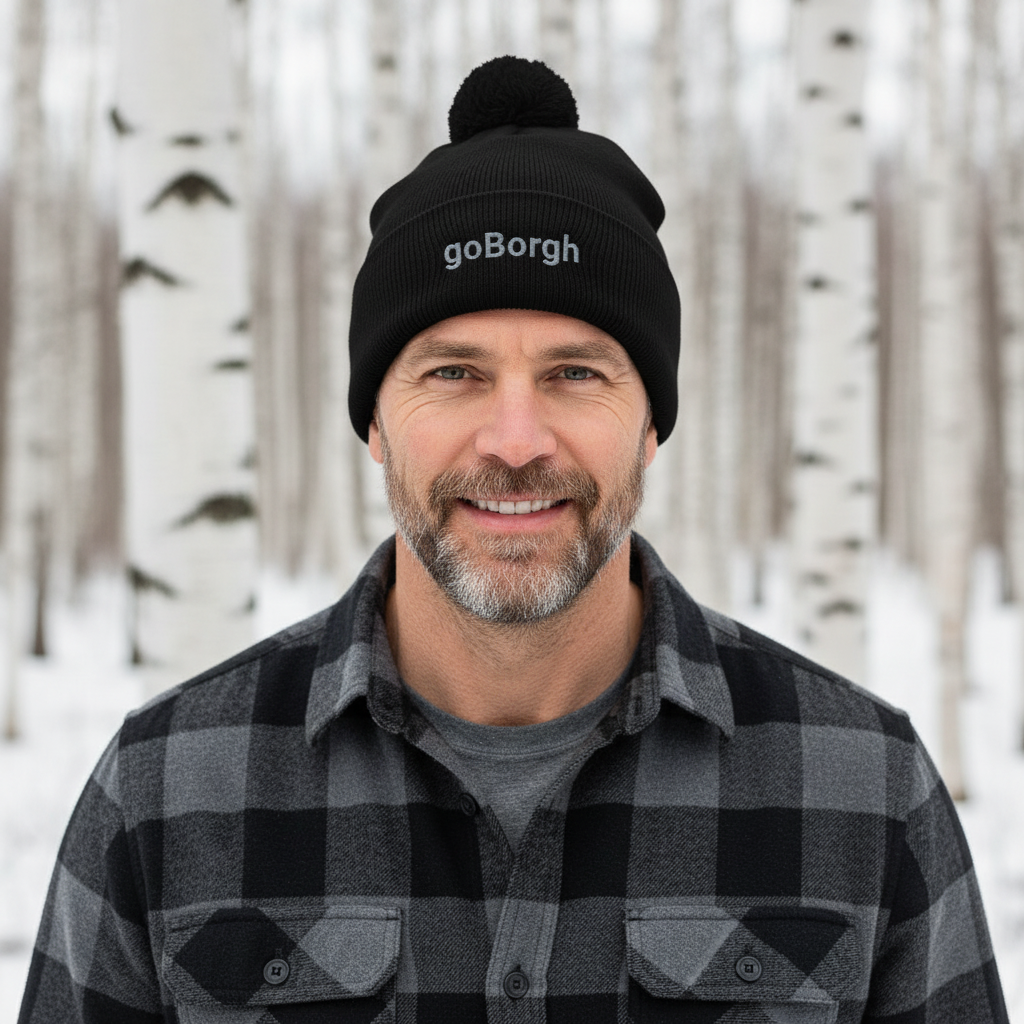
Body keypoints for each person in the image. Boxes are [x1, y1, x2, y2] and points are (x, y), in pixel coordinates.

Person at [19, 57, 1006, 1024]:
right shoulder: (163, 792)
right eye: (453, 372)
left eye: (576, 372)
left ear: (652, 422)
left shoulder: (866, 793)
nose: (516, 441)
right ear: (373, 420)